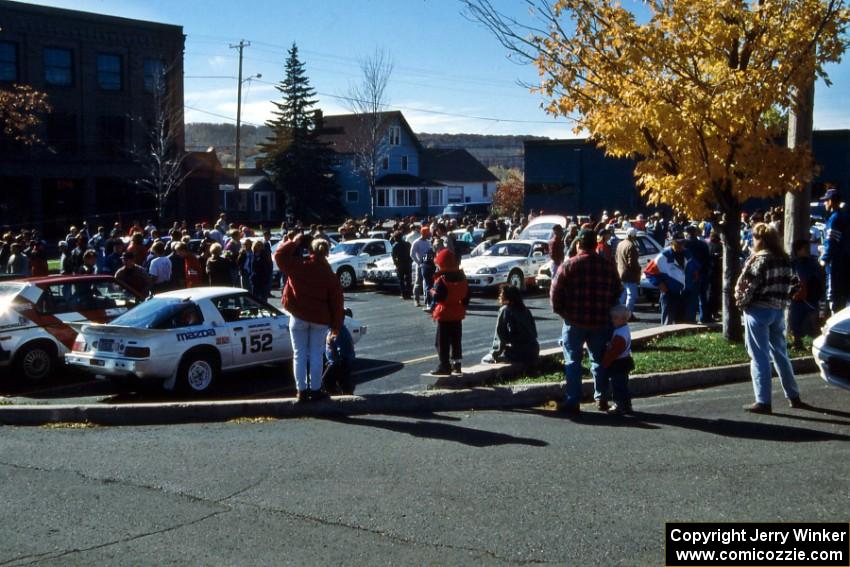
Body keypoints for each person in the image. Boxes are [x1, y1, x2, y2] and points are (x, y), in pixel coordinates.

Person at [551, 229, 622, 415]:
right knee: (599, 360)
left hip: (574, 321)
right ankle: (601, 397)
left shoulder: (568, 266)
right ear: (595, 244)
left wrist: (564, 313)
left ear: (578, 244)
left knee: (572, 361)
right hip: (600, 321)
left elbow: (555, 294)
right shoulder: (607, 266)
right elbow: (617, 291)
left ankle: (573, 400)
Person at [735, 223, 803, 414]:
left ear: (760, 240)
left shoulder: (759, 259)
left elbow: (745, 287)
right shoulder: (785, 259)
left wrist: (742, 303)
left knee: (759, 356)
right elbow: (795, 285)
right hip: (778, 310)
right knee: (780, 353)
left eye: (754, 238)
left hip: (758, 310)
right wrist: (783, 299)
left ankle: (763, 400)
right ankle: (793, 395)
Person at [275, 234, 344, 402]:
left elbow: (279, 256)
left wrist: (294, 241)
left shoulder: (299, 266)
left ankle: (301, 390)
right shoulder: (329, 275)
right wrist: (336, 326)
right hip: (319, 320)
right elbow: (337, 302)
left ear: (309, 250)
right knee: (316, 354)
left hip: (298, 317)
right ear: (327, 253)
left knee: (299, 354)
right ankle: (315, 389)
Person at [644, 232, 700, 325]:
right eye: (677, 243)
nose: (680, 245)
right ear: (671, 242)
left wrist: (695, 277)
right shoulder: (663, 256)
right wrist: (660, 285)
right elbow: (649, 272)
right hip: (669, 294)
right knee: (668, 323)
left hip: (686, 293)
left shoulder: (688, 254)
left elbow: (695, 268)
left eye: (682, 243)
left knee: (685, 322)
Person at [429, 249, 470, 376]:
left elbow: (439, 297)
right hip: (457, 311)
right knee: (456, 340)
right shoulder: (462, 276)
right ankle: (457, 364)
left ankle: (444, 365)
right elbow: (467, 296)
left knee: (441, 342)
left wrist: (432, 292)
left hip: (445, 312)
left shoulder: (441, 279)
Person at [482, 285, 539, 366]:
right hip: (534, 350)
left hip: (519, 352)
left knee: (485, 360)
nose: (499, 296)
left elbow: (500, 337)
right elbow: (534, 333)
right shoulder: (526, 310)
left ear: (508, 297)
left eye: (501, 294)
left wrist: (494, 354)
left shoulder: (505, 310)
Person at [819, 187, 850, 314]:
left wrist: (824, 258)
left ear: (831, 202)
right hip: (847, 262)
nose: (825, 203)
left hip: (836, 264)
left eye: (826, 201)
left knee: (834, 299)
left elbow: (831, 242)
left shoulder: (834, 219)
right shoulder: (846, 217)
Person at [601, 304, 634, 415]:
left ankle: (619, 405)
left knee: (618, 385)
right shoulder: (624, 328)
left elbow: (614, 352)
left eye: (615, 318)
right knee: (623, 385)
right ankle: (627, 405)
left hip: (619, 363)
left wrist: (605, 362)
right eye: (612, 317)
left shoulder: (620, 335)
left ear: (623, 319)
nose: (612, 320)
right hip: (625, 361)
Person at [790, 239, 824, 348]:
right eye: (804, 249)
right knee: (795, 321)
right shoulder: (794, 263)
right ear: (797, 250)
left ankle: (819, 343)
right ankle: (797, 342)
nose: (807, 251)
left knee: (815, 321)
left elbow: (818, 278)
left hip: (811, 297)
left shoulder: (812, 262)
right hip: (798, 298)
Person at [684, 225, 712, 323]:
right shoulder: (703, 244)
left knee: (692, 297)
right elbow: (708, 259)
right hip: (703, 272)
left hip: (691, 273)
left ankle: (691, 318)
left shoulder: (686, 244)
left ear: (687, 233)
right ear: (695, 233)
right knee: (703, 296)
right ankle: (704, 317)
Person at [322, 325, 356, 395]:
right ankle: (340, 395)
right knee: (337, 384)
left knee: (326, 381)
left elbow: (345, 351)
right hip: (335, 362)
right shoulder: (331, 330)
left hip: (339, 363)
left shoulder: (339, 331)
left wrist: (339, 363)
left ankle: (342, 397)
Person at [615, 228, 641, 318]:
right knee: (631, 294)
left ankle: (618, 312)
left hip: (620, 273)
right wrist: (638, 271)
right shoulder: (631, 246)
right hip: (630, 274)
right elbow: (632, 263)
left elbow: (616, 258)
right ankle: (627, 315)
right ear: (633, 236)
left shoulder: (620, 244)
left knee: (623, 294)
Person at [411, 226, 432, 308]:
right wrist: (419, 263)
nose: (428, 235)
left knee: (426, 282)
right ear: (423, 234)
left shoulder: (428, 242)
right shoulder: (416, 242)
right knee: (418, 282)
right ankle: (416, 299)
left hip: (428, 264)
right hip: (420, 264)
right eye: (427, 234)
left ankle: (427, 299)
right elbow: (412, 254)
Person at [391, 231, 413, 300]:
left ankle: (403, 294)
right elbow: (411, 253)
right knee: (408, 279)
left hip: (400, 264)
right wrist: (410, 261)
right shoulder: (408, 244)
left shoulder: (395, 245)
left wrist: (396, 264)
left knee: (401, 280)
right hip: (408, 263)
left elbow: (393, 256)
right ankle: (409, 293)